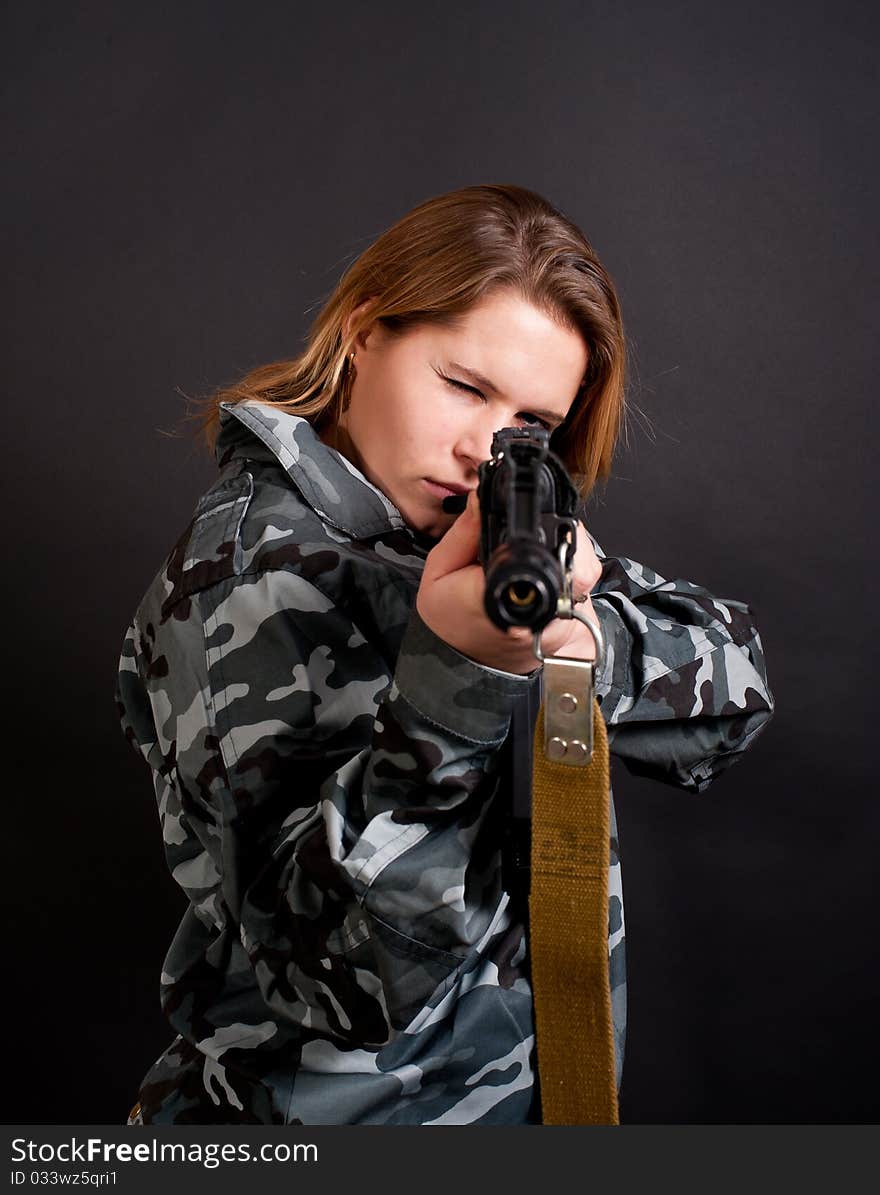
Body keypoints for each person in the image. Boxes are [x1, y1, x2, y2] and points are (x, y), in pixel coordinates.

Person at [115, 183, 774, 1125]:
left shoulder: (462, 529)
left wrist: (576, 637)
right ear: (361, 334)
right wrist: (462, 682)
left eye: (530, 426)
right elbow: (344, 985)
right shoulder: (247, 579)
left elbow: (738, 694)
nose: (481, 447)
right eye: (462, 384)